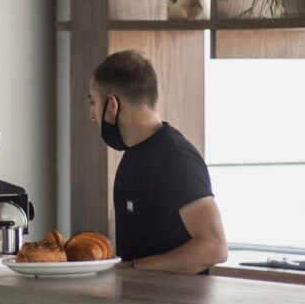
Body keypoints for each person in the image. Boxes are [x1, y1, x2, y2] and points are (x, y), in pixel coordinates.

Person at [87, 50, 227, 272]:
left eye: (93, 102)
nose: (92, 114)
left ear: (113, 104)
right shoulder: (134, 154)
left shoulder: (176, 158)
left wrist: (133, 268)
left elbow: (215, 247)